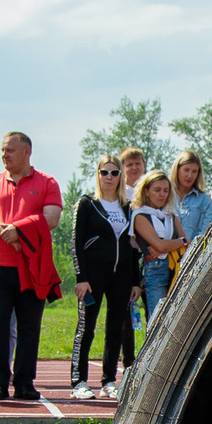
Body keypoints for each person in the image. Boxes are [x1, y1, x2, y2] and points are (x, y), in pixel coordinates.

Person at [0, 132, 63, 404]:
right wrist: (7, 232)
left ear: (27, 152)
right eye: (2, 150)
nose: (4, 155)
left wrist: (20, 230)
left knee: (29, 325)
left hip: (33, 266)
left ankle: (25, 382)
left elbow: (52, 218)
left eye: (10, 150)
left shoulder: (47, 182)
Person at [69, 156, 139, 400]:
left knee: (116, 328)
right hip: (92, 276)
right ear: (97, 175)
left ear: (121, 176)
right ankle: (79, 381)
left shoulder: (128, 207)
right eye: (104, 172)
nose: (109, 177)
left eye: (114, 172)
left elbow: (133, 246)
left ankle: (109, 381)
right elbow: (76, 243)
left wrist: (135, 281)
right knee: (86, 327)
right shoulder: (87, 204)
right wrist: (81, 277)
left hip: (121, 276)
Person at [131, 170, 182, 324]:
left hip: (176, 269)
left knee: (176, 318)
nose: (162, 195)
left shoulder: (170, 215)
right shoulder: (140, 215)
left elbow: (188, 242)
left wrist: (168, 246)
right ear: (146, 191)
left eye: (166, 191)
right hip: (155, 270)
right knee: (157, 321)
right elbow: (159, 244)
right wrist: (178, 242)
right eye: (157, 190)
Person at [170, 150, 212, 252]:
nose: (189, 175)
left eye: (194, 171)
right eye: (186, 170)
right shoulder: (165, 195)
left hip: (192, 257)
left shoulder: (205, 200)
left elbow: (206, 233)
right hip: (165, 257)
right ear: (177, 169)